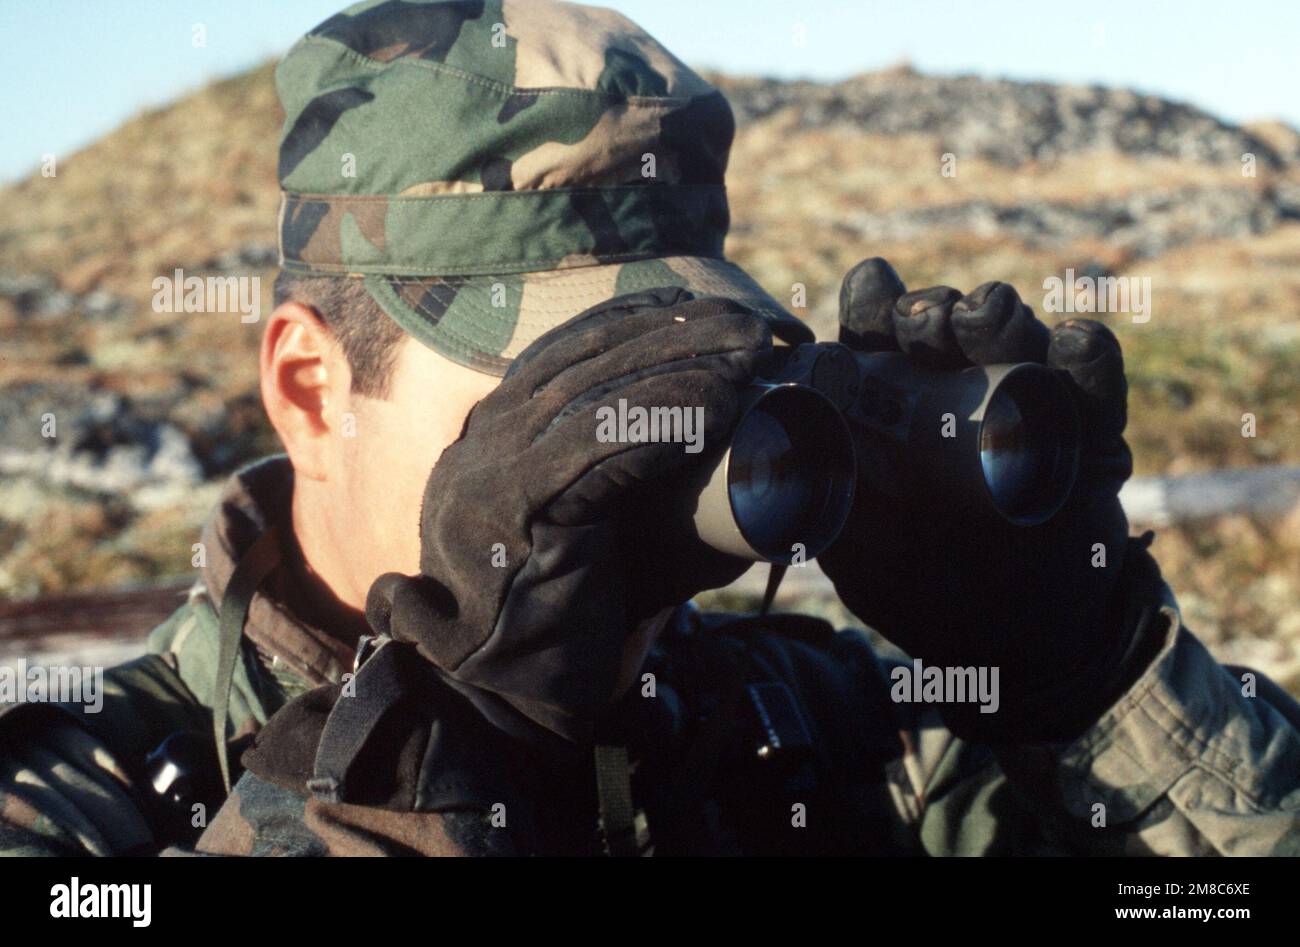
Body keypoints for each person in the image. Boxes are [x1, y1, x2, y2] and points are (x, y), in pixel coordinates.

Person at [2, 0, 1297, 857]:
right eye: (567, 392)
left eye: (699, 378)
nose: (658, 449)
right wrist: (433, 771)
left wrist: (1088, 674)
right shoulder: (83, 804)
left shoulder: (819, 728)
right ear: (310, 388)